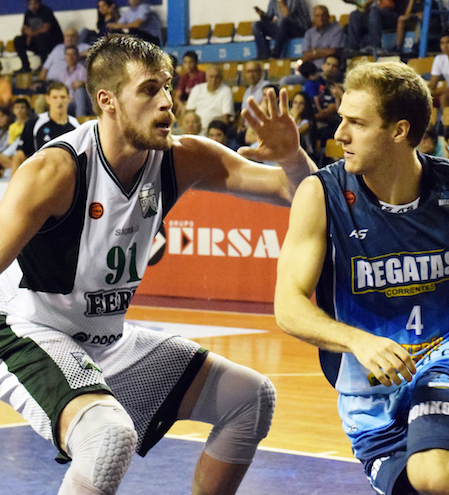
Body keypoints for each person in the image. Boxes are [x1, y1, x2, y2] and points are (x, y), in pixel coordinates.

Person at [0, 34, 316, 495]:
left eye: (167, 86)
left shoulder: (182, 158)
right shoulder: (55, 172)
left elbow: (298, 194)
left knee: (249, 399)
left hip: (106, 339)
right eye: (149, 90)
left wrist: (292, 159)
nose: (167, 101)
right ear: (107, 101)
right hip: (29, 329)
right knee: (108, 438)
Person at [274, 60, 449, 495]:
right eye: (342, 119)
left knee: (434, 472)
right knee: (426, 486)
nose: (339, 134)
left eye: (356, 123)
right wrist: (358, 341)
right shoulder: (322, 195)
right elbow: (288, 306)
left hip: (448, 360)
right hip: (369, 394)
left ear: (399, 131)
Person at [13, 81, 80, 175]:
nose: (59, 101)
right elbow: (19, 157)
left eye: (63, 97)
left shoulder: (76, 126)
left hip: (66, 176)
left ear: (69, 98)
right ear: (47, 99)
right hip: (39, 175)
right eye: (55, 97)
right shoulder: (34, 123)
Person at [13, 0, 64, 73]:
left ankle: (44, 65)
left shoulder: (46, 11)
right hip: (36, 41)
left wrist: (32, 34)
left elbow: (46, 28)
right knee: (18, 40)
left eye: (35, 3)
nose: (33, 6)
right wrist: (28, 34)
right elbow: (24, 28)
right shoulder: (28, 14)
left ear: (39, 3)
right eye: (30, 4)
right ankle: (26, 67)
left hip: (51, 41)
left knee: (40, 38)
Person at [185, 64, 235, 130]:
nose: (214, 80)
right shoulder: (197, 89)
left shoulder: (226, 91)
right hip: (196, 129)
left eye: (217, 77)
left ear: (221, 78)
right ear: (206, 77)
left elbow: (226, 117)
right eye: (211, 77)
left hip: (214, 130)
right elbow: (189, 111)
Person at [59, 46, 92, 118]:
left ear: (77, 56)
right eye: (68, 55)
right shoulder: (63, 74)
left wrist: (83, 83)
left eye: (73, 54)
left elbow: (90, 87)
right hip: (67, 101)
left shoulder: (82, 69)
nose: (70, 57)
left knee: (79, 90)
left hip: (80, 101)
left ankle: (80, 118)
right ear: (65, 57)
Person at [172, 51, 206, 119]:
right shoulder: (183, 77)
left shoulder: (203, 76)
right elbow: (177, 96)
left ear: (196, 63)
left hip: (199, 103)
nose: (188, 65)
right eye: (185, 62)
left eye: (190, 62)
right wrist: (181, 105)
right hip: (186, 105)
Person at [291, 91, 317, 157]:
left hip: (305, 155)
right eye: (295, 102)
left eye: (301, 103)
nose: (297, 106)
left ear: (306, 106)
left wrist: (295, 116)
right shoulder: (288, 119)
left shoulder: (307, 123)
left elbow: (292, 136)